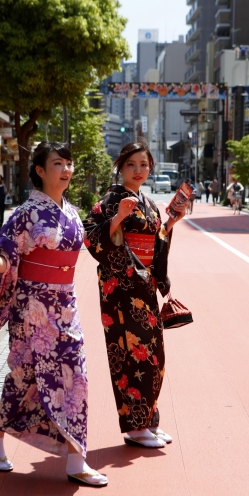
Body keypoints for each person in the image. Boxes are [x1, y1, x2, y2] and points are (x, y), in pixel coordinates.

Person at [0, 141, 107, 487]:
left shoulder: (73, 213)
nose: (66, 169)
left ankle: (77, 460)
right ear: (40, 171)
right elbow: (6, 252)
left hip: (65, 306)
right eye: (58, 163)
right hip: (32, 309)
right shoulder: (25, 213)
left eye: (69, 163)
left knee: (77, 375)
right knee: (23, 378)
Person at [83, 141, 185, 449]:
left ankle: (148, 419)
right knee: (131, 354)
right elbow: (91, 237)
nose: (138, 170)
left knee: (154, 353)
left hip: (144, 288)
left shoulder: (149, 203)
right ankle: (135, 426)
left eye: (144, 164)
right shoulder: (112, 200)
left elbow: (157, 241)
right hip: (121, 291)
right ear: (121, 168)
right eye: (131, 165)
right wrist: (115, 220)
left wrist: (170, 223)